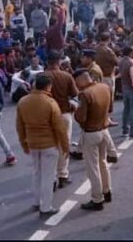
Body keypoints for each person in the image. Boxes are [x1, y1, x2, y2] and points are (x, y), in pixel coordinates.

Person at [16, 74, 69, 216]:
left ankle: (36, 202)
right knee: (48, 176)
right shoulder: (50, 103)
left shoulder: (23, 101)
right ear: (48, 86)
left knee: (36, 172)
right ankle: (46, 207)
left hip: (32, 143)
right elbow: (59, 128)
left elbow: (19, 126)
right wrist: (65, 146)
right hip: (49, 144)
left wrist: (23, 143)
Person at [74, 69, 114, 211]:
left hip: (91, 132)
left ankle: (97, 199)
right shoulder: (105, 87)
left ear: (80, 80)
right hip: (104, 130)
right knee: (103, 163)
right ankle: (107, 191)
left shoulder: (85, 94)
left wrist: (76, 111)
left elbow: (82, 118)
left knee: (93, 168)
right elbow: (110, 108)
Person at [42, 51, 79, 189]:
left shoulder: (42, 76)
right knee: (64, 146)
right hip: (64, 114)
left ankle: (51, 178)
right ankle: (63, 175)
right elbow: (76, 95)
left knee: (50, 147)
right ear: (59, 62)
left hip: (46, 116)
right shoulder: (66, 76)